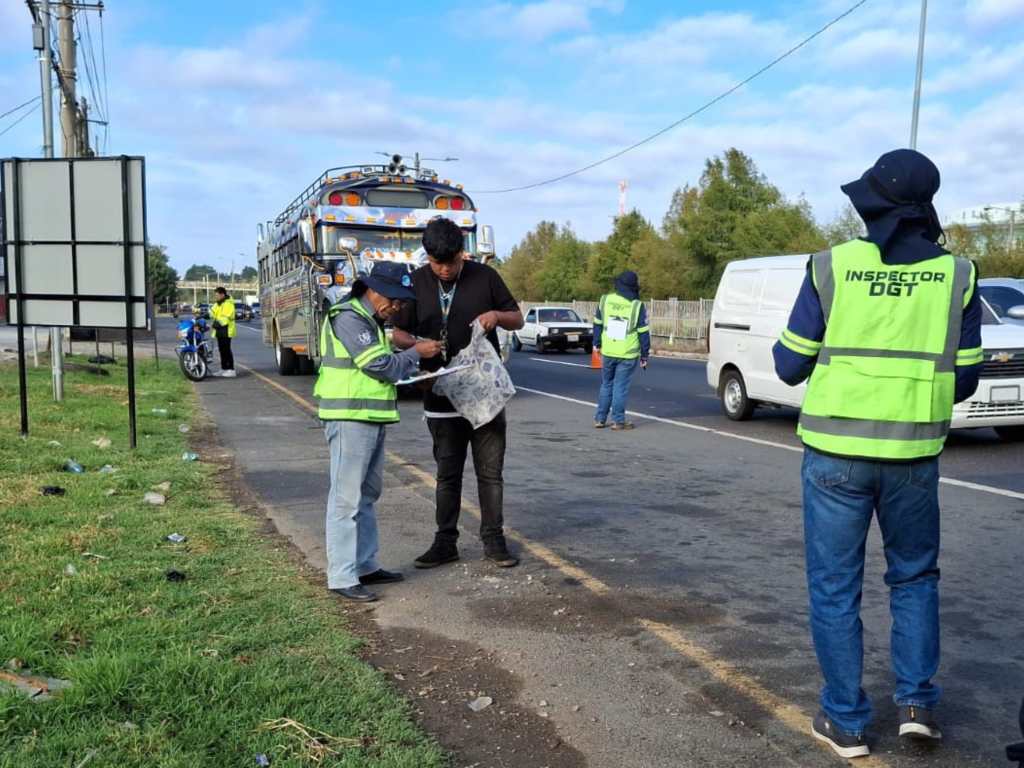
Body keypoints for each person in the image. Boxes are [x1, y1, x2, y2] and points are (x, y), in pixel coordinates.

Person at [773, 149, 983, 759]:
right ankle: (917, 705)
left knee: (835, 587)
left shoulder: (830, 266)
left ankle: (846, 721)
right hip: (913, 456)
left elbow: (788, 365)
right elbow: (965, 380)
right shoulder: (959, 275)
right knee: (914, 578)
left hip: (835, 456)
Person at [392, 217, 524, 569]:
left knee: (490, 474)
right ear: (427, 257)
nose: (445, 269)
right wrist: (417, 345)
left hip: (484, 396)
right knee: (447, 475)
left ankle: (494, 540)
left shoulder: (485, 276)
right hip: (440, 394)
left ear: (462, 253)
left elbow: (518, 318)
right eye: (438, 263)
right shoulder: (415, 282)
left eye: (451, 262)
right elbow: (397, 333)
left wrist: (496, 316)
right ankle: (445, 542)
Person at [316, 261, 443, 602]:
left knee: (367, 494)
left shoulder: (370, 320)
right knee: (346, 499)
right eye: (393, 299)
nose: (397, 307)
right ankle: (342, 576)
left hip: (368, 416)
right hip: (349, 417)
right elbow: (378, 366)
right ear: (373, 290)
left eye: (401, 301)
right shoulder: (349, 317)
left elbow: (383, 368)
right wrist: (415, 352)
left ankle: (365, 564)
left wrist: (412, 368)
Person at [593, 270, 650, 430]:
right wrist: (644, 355)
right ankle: (618, 421)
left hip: (608, 351)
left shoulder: (605, 300)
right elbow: (643, 332)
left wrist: (597, 343)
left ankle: (600, 419)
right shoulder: (637, 305)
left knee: (606, 384)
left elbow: (597, 324)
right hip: (627, 353)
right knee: (620, 387)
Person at [209, 287, 237, 378]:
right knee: (221, 350)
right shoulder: (218, 304)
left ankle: (231, 370)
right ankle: (224, 368)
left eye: (217, 295)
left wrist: (216, 324)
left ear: (222, 294)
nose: (216, 297)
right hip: (219, 330)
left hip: (226, 329)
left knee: (226, 349)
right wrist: (201, 316)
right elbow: (211, 312)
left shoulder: (228, 304)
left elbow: (226, 317)